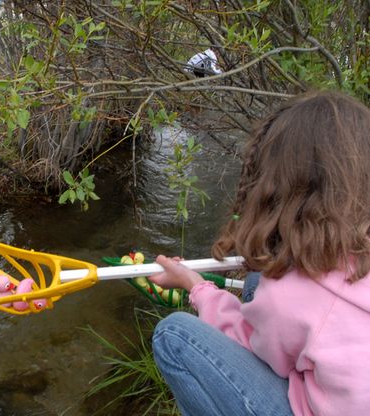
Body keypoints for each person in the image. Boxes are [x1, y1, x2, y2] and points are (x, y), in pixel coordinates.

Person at [149, 90, 370, 415]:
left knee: (173, 335)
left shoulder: (292, 293)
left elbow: (251, 343)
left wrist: (196, 287)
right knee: (255, 281)